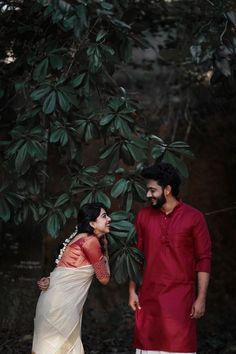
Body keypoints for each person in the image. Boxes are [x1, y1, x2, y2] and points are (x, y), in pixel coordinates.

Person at [129, 163, 212, 354]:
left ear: (167, 189)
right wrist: (132, 291)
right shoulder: (143, 215)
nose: (148, 195)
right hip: (148, 298)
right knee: (148, 347)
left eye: (152, 190)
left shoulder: (194, 217)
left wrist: (201, 298)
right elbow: (137, 255)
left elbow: (204, 259)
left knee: (179, 347)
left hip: (180, 300)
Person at [32, 202, 111, 354]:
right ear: (92, 223)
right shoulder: (90, 241)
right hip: (62, 308)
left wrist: (49, 280)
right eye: (104, 216)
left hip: (52, 303)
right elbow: (104, 278)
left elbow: (65, 271)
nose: (109, 219)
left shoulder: (78, 238)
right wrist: (105, 249)